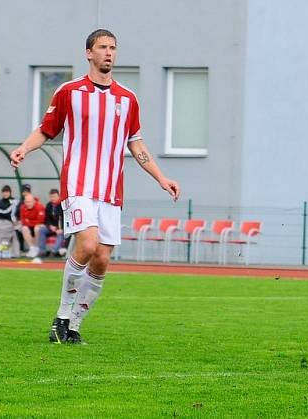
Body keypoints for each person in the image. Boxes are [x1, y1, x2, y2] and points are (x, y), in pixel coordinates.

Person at [10, 29, 180, 344]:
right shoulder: (69, 92)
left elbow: (136, 145)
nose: (109, 53)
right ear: (89, 53)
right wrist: (24, 148)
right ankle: (60, 316)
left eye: (113, 48)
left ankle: (73, 326)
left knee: (102, 258)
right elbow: (47, 130)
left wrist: (161, 177)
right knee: (87, 246)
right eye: (102, 47)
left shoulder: (128, 99)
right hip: (78, 183)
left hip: (110, 190)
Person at [38, 188, 65, 257]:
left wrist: (61, 228)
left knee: (61, 234)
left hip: (62, 228)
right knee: (42, 230)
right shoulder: (49, 205)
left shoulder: (63, 205)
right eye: (51, 197)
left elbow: (66, 219)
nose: (53, 198)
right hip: (52, 228)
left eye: (54, 196)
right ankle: (42, 251)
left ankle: (53, 251)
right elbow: (46, 218)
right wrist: (50, 226)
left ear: (59, 196)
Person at [18, 192, 46, 258]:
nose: (28, 204)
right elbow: (23, 221)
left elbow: (40, 221)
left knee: (37, 228)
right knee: (24, 228)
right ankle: (32, 248)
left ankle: (36, 247)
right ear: (24, 202)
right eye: (27, 202)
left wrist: (29, 221)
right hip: (29, 226)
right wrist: (29, 222)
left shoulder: (39, 206)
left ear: (33, 201)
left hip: (39, 226)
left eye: (30, 202)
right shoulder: (22, 207)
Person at [0, 185, 18, 257]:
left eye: (7, 192)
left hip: (9, 223)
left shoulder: (14, 201)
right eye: (4, 192)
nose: (5, 194)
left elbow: (10, 214)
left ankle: (3, 251)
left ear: (10, 192)